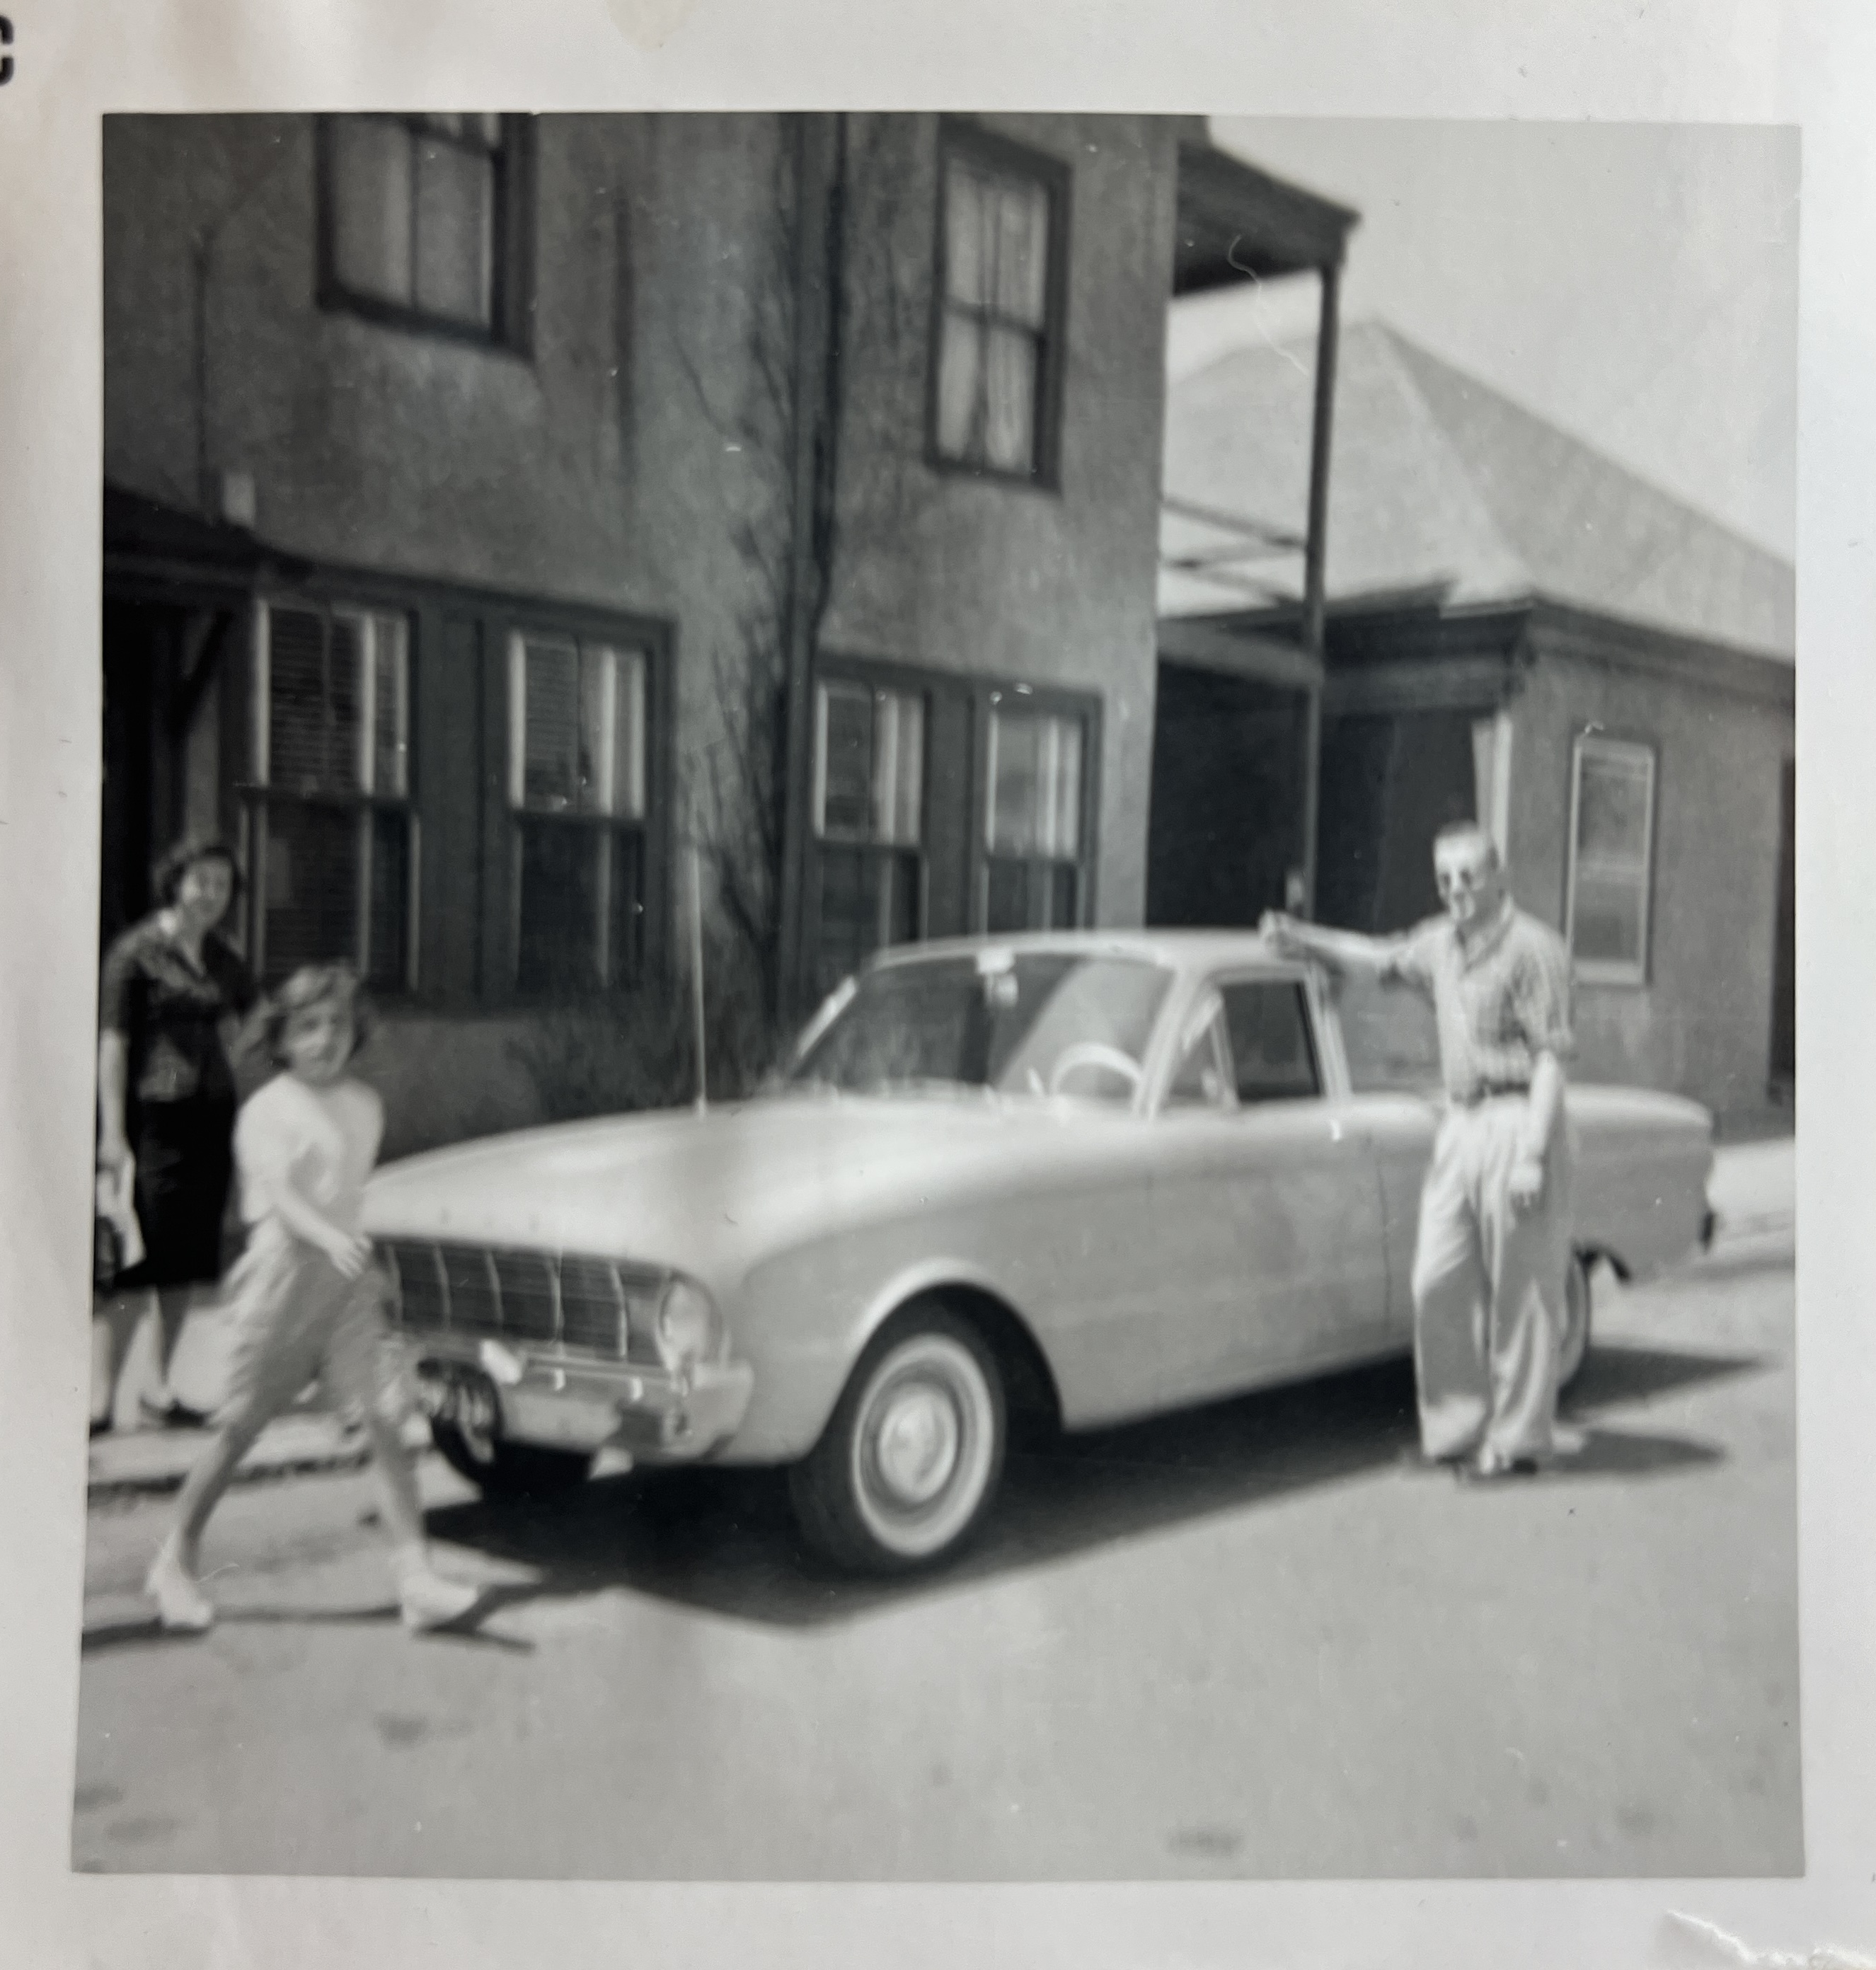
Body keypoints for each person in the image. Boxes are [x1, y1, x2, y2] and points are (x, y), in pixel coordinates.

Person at [144, 964, 480, 1634]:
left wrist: (356, 1249)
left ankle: (415, 1577)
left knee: (385, 1417)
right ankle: (173, 1559)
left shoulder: (366, 1106)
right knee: (242, 1427)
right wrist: (330, 1236)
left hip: (348, 1281)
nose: (324, 1039)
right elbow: (284, 1197)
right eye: (308, 1027)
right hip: (282, 1278)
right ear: (283, 1038)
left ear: (356, 1034)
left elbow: (350, 1193)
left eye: (337, 1025)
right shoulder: (268, 1110)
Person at [1261, 820, 1578, 1482]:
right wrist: (1302, 939)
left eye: (1468, 876)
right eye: (1444, 878)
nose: (1455, 890)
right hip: (1460, 1123)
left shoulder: (1533, 949)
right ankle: (1457, 1431)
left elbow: (1550, 1058)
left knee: (1520, 1294)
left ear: (1498, 878)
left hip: (1520, 1119)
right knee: (1436, 1281)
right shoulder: (1441, 945)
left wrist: (1532, 1153)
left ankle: (1517, 1443)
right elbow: (1378, 957)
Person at [94, 839, 258, 1432]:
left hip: (211, 1118)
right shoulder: (136, 952)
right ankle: (102, 1399)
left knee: (187, 1261)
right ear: (175, 882)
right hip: (153, 1120)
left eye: (222, 885)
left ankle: (158, 1390)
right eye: (201, 882)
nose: (211, 894)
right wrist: (113, 1133)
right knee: (139, 1263)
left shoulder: (222, 956)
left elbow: (256, 1020)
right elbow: (112, 1044)